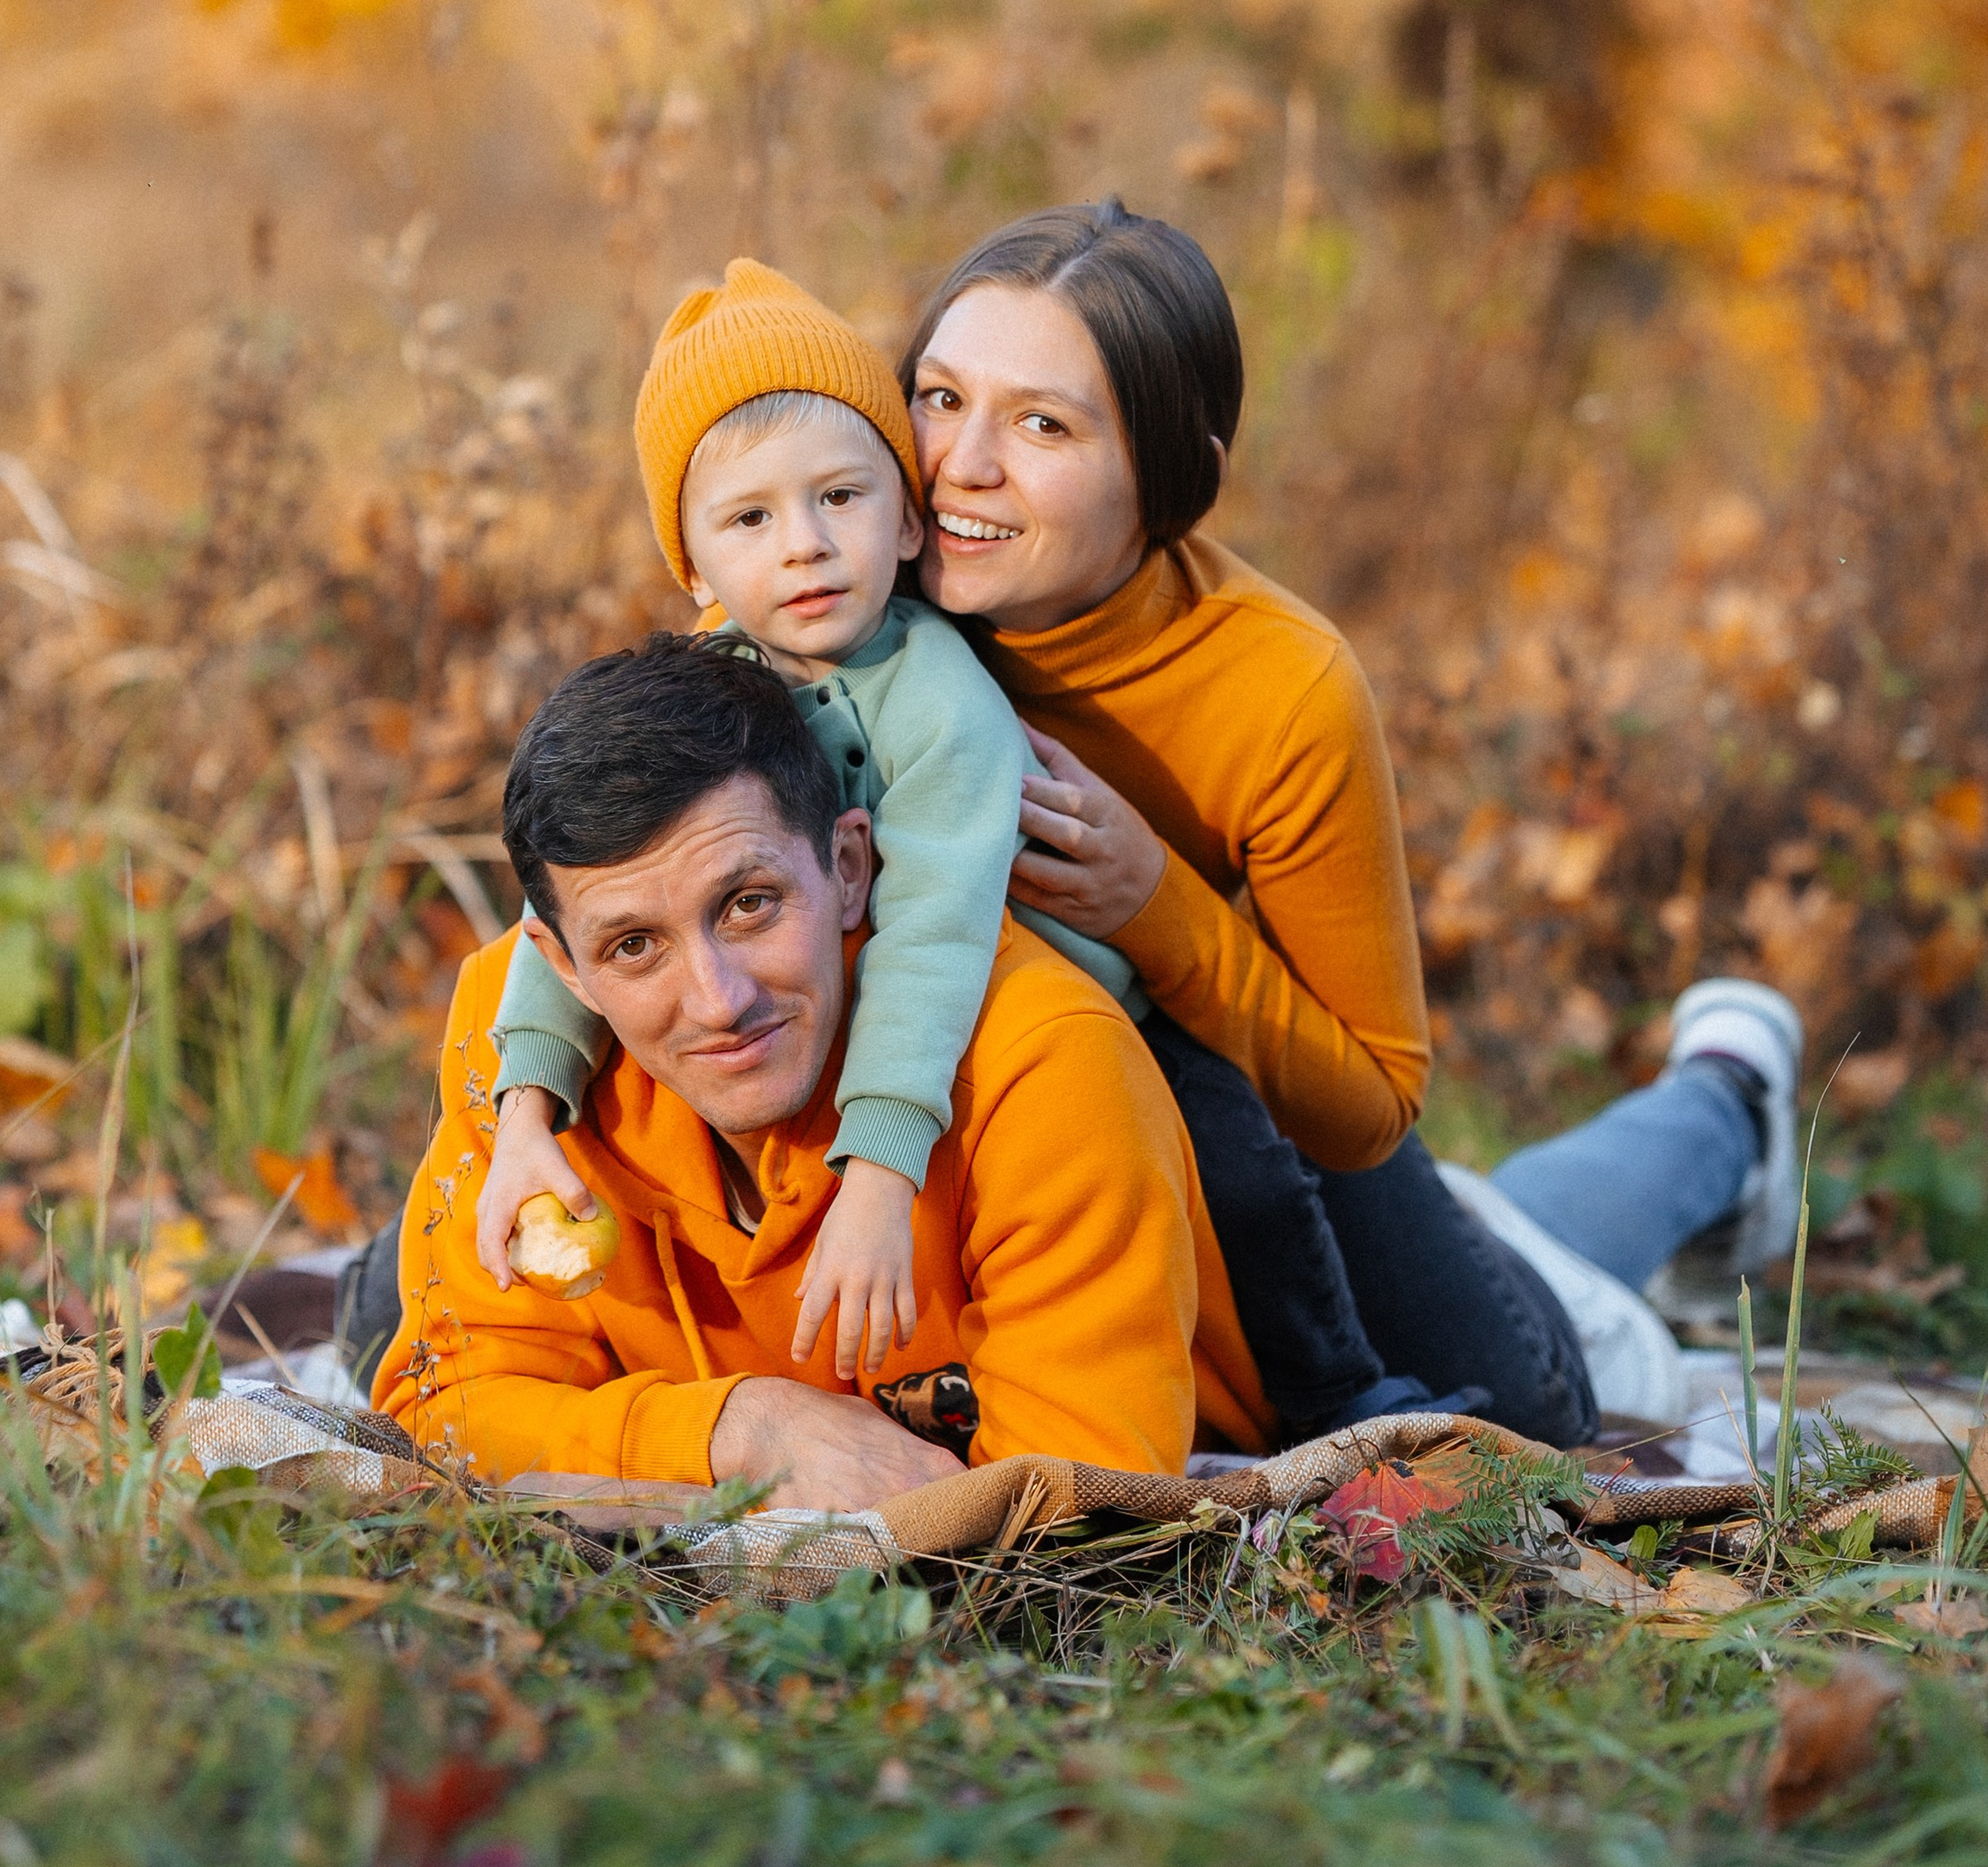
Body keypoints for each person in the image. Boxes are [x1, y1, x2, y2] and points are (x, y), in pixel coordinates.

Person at [901, 199, 1806, 1437]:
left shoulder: (1283, 688)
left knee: (1527, 1398)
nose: (959, 464)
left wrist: (1152, 902)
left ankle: (1723, 1102)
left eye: (1043, 424)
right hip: (1036, 1110)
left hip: (1262, 1116)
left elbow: (1373, 1096)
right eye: (941, 397)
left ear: (1180, 485)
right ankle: (1546, 1198)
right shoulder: (843, 581)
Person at [472, 257, 1407, 1441]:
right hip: (882, 1039)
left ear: (903, 518)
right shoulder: (712, 671)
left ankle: (1340, 1399)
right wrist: (524, 1111)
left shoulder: (943, 700)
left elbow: (932, 934)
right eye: (753, 520)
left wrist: (877, 1175)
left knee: (1245, 1174)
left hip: (1056, 1023)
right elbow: (572, 902)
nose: (804, 547)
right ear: (696, 567)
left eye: (839, 501)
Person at [370, 634, 1272, 1502]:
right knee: (379, 1314)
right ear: (563, 969)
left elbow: (1078, 1503)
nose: (719, 999)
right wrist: (739, 1430)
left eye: (749, 904)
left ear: (848, 866)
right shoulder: (514, 1062)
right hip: (680, 1340)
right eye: (635, 945)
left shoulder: (1043, 1067)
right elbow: (445, 1412)